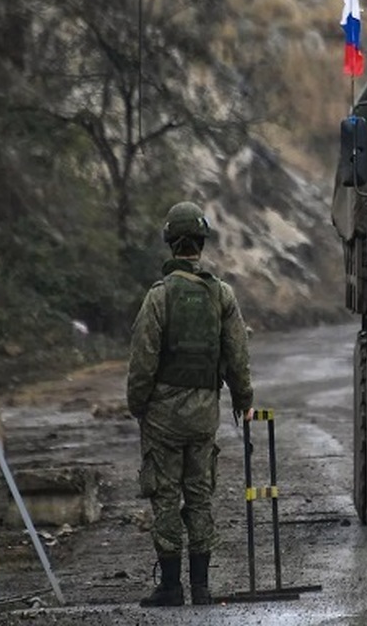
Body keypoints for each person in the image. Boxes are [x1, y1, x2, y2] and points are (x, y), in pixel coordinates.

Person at [128, 201, 254, 607]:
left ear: (170, 243)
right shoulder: (222, 294)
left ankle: (170, 586)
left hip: (163, 417)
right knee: (199, 495)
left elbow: (143, 359)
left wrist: (139, 405)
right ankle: (201, 586)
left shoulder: (159, 297)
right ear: (201, 243)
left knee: (165, 495)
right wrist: (243, 400)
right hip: (204, 414)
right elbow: (237, 354)